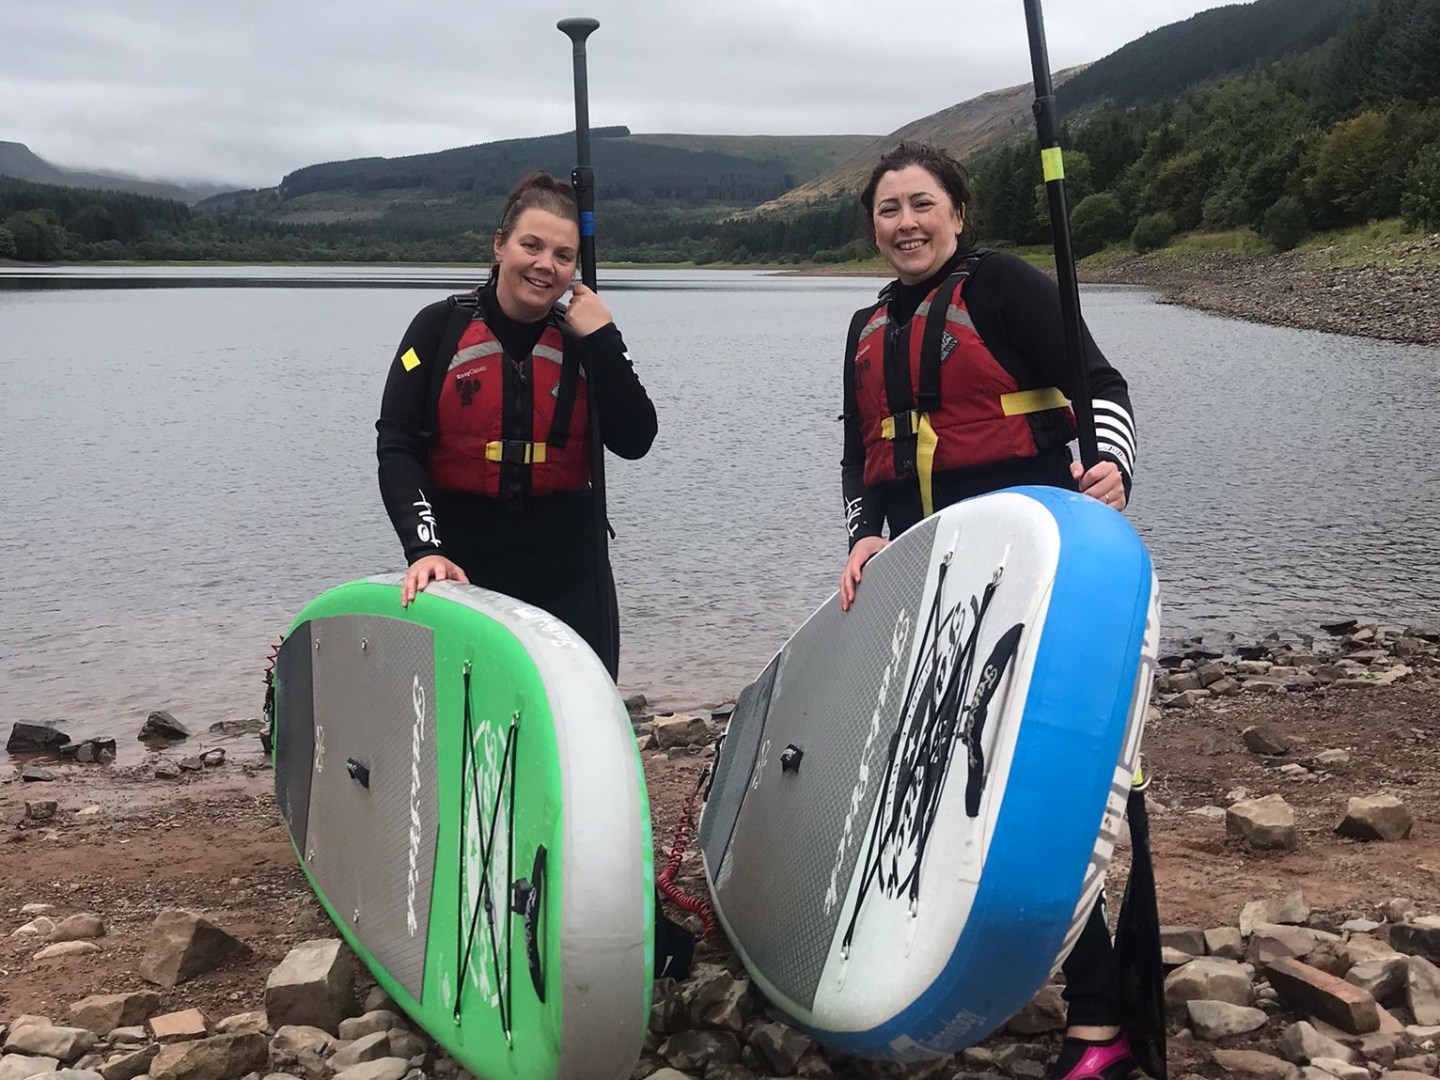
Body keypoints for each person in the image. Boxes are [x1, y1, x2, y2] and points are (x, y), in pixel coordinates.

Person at [836, 142, 1140, 1080]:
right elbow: (862, 461)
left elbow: (1106, 388)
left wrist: (1114, 469)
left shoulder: (1002, 287)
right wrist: (861, 537)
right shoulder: (866, 323)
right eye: (888, 211)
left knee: (1068, 790)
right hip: (931, 582)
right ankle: (934, 966)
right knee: (932, 782)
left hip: (1035, 571)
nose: (906, 224)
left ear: (959, 213)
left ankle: (1105, 1020)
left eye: (922, 205)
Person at [377, 172, 656, 678]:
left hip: (571, 570)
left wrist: (604, 338)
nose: (545, 265)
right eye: (532, 245)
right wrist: (424, 549)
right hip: (463, 564)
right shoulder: (438, 330)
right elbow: (396, 445)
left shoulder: (585, 338)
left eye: (563, 255)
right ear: (500, 245)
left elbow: (636, 439)